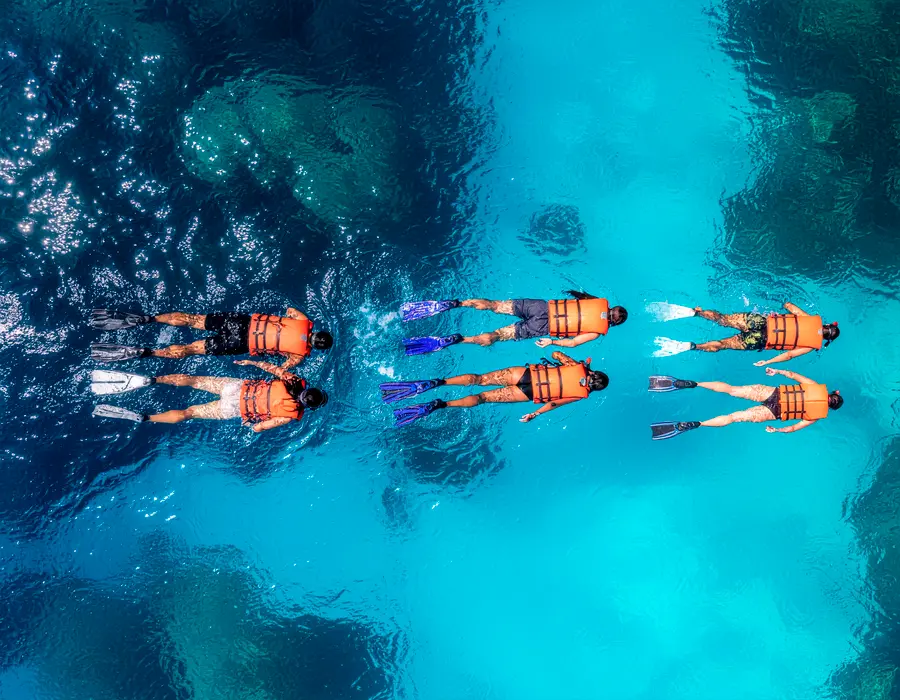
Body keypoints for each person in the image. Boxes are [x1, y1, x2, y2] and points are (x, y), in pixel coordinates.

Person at [378, 351, 609, 426]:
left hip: (527, 374)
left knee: (479, 379)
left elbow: (555, 354)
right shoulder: (580, 396)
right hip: (528, 393)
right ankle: (441, 405)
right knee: (481, 398)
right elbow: (555, 403)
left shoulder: (578, 366)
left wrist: (581, 365)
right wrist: (535, 414)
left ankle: (441, 383)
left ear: (594, 374)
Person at [90, 359, 327, 432]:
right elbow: (258, 429)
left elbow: (270, 368)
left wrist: (249, 361)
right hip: (233, 410)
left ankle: (152, 380)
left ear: (308, 391)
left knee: (193, 380)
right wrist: (251, 421)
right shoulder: (291, 415)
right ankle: (146, 418)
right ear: (308, 407)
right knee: (189, 413)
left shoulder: (294, 381)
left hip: (237, 388)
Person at [89, 308, 333, 368]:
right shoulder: (299, 354)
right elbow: (284, 367)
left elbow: (289, 310)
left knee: (193, 319)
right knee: (192, 349)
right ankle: (148, 352)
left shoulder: (303, 321)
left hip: (242, 323)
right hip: (241, 344)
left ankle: (148, 319)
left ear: (316, 332)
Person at [398, 291, 627, 355]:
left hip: (541, 307)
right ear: (613, 324)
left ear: (610, 308)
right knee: (497, 336)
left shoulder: (596, 301)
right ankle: (460, 339)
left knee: (495, 305)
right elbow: (574, 343)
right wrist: (551, 343)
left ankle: (456, 303)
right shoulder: (597, 333)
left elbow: (579, 297)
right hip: (542, 329)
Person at [647, 367, 843, 439]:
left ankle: (694, 384)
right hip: (773, 413)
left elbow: (793, 375)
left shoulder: (816, 386)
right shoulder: (816, 416)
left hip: (773, 392)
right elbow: (793, 428)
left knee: (732, 389)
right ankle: (697, 424)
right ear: (830, 408)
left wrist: (776, 371)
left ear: (833, 392)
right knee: (733, 417)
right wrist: (777, 431)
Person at [650, 301, 839, 365]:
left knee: (723, 319)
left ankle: (696, 312)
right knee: (723, 345)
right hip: (760, 340)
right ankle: (694, 346)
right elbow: (789, 354)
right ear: (826, 339)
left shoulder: (810, 318)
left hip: (761, 321)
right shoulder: (809, 346)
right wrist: (768, 361)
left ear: (826, 324)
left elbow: (788, 305)